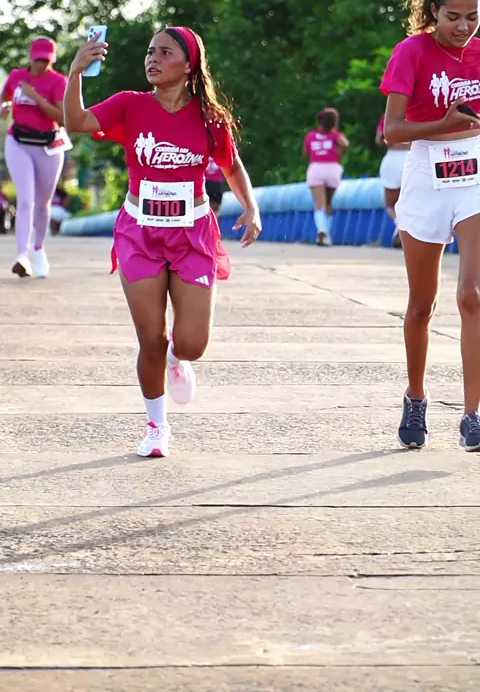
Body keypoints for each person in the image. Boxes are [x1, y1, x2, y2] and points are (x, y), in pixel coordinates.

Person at [64, 25, 261, 458]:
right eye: (150, 52)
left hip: (192, 233)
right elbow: (75, 122)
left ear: (189, 65)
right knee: (150, 339)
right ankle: (157, 426)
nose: (152, 58)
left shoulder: (209, 118)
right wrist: (76, 71)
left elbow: (232, 166)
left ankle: (177, 360)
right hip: (140, 231)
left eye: (164, 52)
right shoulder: (130, 105)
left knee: (191, 343)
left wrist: (251, 206)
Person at [381, 0, 480, 453]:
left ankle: (473, 414)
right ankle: (416, 398)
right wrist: (442, 124)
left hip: (474, 172)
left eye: (473, 17)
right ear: (433, 11)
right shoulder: (411, 51)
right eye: (453, 17)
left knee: (473, 295)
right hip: (425, 169)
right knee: (422, 305)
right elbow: (392, 131)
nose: (463, 27)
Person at [0, 37, 68, 277]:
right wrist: (5, 107)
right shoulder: (16, 76)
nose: (41, 64)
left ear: (52, 60)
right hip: (18, 142)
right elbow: (4, 98)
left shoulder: (58, 81)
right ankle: (22, 255)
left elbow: (61, 118)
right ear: (30, 57)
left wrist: (36, 97)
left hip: (48, 146)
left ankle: (38, 248)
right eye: (37, 59)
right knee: (26, 200)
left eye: (45, 60)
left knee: (42, 202)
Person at [303, 107, 349, 246]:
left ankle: (322, 230)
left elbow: (306, 152)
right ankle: (327, 235)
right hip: (332, 168)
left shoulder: (311, 135)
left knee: (319, 204)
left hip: (316, 167)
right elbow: (345, 144)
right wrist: (339, 155)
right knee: (328, 203)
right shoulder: (335, 135)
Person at [375, 113, 410, 247]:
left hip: (392, 159)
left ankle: (399, 224)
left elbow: (379, 140)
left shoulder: (387, 116)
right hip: (413, 157)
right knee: (412, 200)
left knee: (390, 204)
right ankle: (408, 230)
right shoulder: (418, 111)